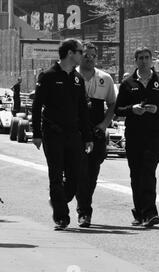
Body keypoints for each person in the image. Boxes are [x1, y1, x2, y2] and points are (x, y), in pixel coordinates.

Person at [31, 39, 93, 230]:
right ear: (69, 53)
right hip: (53, 133)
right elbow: (36, 106)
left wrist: (88, 136)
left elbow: (83, 110)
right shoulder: (48, 76)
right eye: (80, 51)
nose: (83, 55)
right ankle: (61, 217)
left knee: (75, 176)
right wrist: (37, 133)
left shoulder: (77, 79)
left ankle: (59, 200)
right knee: (56, 175)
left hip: (73, 134)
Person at [115, 48, 159, 228]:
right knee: (136, 174)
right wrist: (132, 109)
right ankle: (139, 212)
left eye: (147, 58)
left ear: (152, 61)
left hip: (154, 135)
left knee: (148, 171)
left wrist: (158, 110)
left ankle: (150, 212)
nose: (144, 61)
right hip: (133, 135)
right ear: (135, 61)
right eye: (140, 58)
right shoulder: (127, 83)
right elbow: (118, 110)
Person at [75, 42, 117, 228]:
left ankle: (84, 208)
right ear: (78, 55)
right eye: (85, 54)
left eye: (93, 55)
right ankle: (83, 212)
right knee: (77, 172)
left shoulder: (105, 78)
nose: (89, 58)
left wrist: (104, 124)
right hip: (75, 131)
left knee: (91, 173)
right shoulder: (70, 75)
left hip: (96, 131)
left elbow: (113, 104)